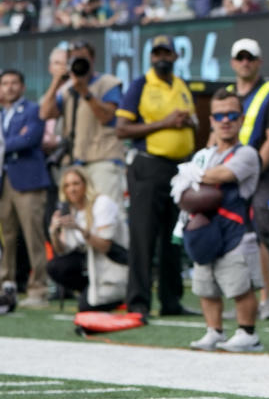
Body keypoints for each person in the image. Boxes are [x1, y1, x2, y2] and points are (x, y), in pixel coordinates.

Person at [117, 35, 198, 318]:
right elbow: (122, 128)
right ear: (151, 57)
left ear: (175, 56)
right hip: (148, 166)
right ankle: (138, 302)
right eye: (157, 53)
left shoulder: (182, 85)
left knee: (173, 238)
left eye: (167, 52)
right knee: (143, 237)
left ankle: (170, 301)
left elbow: (193, 119)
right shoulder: (141, 84)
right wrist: (164, 123)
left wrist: (187, 122)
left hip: (179, 170)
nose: (161, 57)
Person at [178, 89, 264, 352]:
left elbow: (221, 175)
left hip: (235, 229)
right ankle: (213, 331)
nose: (225, 120)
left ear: (240, 119)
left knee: (239, 285)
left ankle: (247, 334)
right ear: (212, 120)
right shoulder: (206, 154)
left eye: (231, 115)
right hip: (205, 228)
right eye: (219, 115)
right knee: (206, 284)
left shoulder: (247, 153)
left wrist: (192, 174)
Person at [225, 38, 269, 320]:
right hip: (228, 172)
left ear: (259, 61)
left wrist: (251, 170)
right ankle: (238, 297)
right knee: (231, 234)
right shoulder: (225, 93)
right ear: (232, 62)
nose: (245, 62)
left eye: (250, 57)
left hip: (259, 175)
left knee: (255, 234)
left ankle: (265, 299)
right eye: (240, 58)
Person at [39, 39, 126, 207]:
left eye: (82, 58)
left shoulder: (108, 83)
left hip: (103, 160)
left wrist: (85, 92)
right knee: (79, 217)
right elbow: (45, 113)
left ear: (92, 59)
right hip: (75, 162)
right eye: (73, 59)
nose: (78, 62)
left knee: (107, 212)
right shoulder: (67, 89)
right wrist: (57, 81)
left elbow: (106, 117)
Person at [0, 69, 52, 307]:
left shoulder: (32, 110)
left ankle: (38, 288)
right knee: (7, 237)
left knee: (33, 236)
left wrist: (5, 144)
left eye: (13, 83)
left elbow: (29, 138)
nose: (9, 87)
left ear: (22, 87)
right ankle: (6, 285)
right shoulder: (2, 113)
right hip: (4, 182)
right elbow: (17, 141)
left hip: (28, 181)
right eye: (4, 83)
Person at [47, 166, 127, 312]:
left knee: (85, 308)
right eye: (67, 185)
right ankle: (88, 289)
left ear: (86, 184)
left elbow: (105, 246)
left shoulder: (102, 203)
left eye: (76, 183)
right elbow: (62, 250)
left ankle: (116, 295)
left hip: (112, 262)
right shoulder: (70, 209)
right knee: (56, 266)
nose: (72, 189)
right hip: (91, 262)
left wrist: (81, 230)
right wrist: (53, 232)